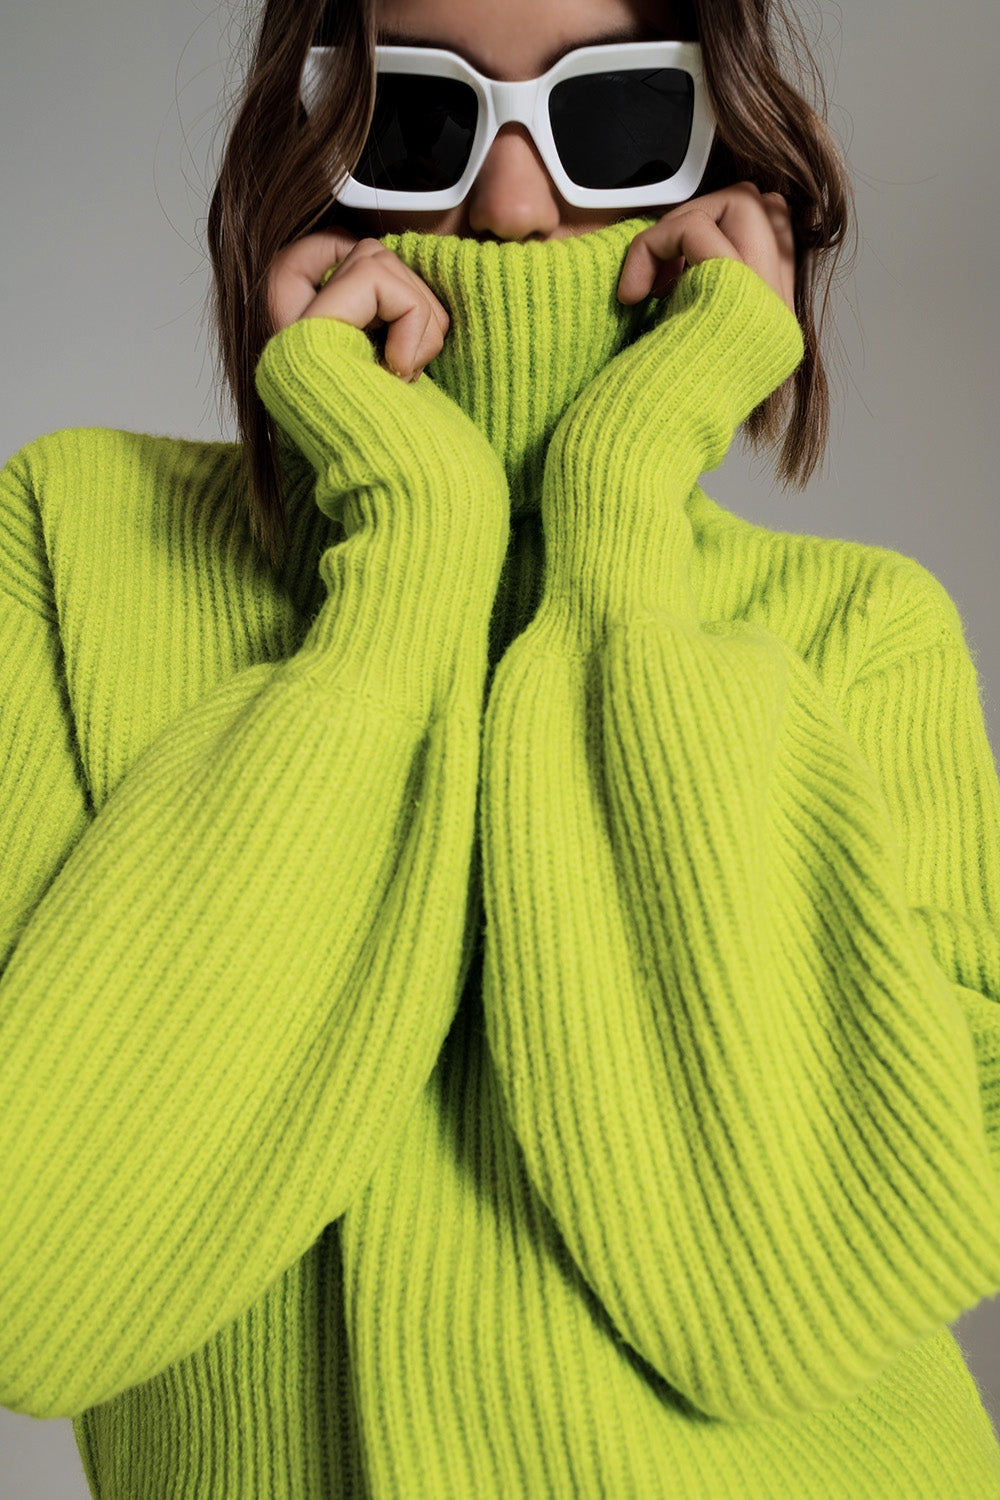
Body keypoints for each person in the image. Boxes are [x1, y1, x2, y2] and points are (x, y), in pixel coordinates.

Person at [1, 0, 999, 1494]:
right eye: (420, 116)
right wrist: (408, 563)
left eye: (612, 119)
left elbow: (809, 1297)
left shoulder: (863, 633)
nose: (517, 209)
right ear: (316, 145)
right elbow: (34, 1289)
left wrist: (618, 525)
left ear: (718, 159)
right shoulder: (72, 551)